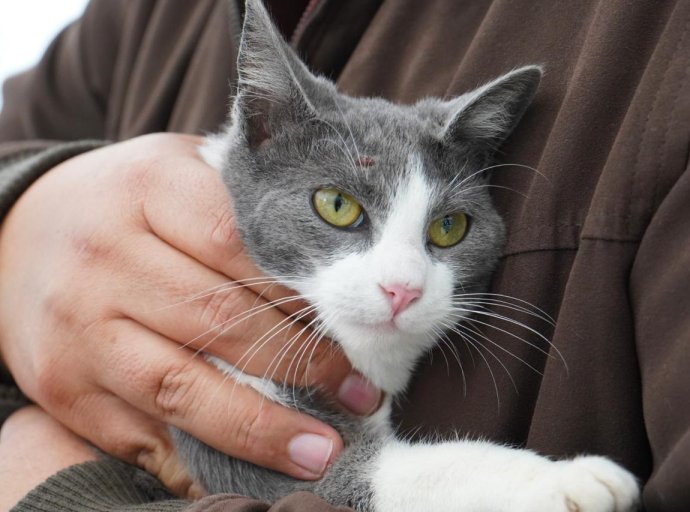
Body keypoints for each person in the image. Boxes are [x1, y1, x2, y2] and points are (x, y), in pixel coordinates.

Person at [0, 0, 688, 510]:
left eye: (444, 231)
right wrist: (22, 207)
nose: (402, 282)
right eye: (341, 210)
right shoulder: (143, 20)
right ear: (261, 129)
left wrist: (41, 481)